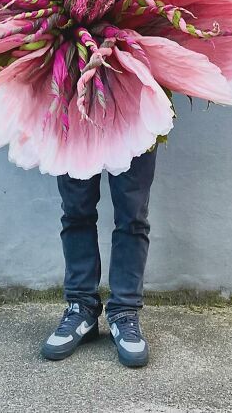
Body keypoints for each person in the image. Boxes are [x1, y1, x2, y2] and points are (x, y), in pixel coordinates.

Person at [40, 144, 158, 368]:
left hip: (136, 112)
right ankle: (81, 307)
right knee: (76, 211)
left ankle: (124, 310)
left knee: (132, 216)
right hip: (72, 115)